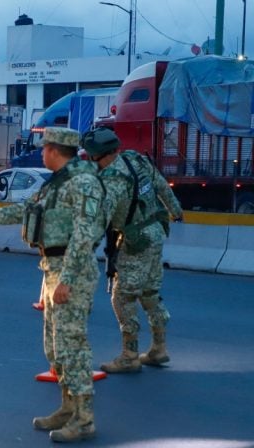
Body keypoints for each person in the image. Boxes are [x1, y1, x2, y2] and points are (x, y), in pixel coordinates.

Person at [0, 127, 106, 442]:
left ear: (54, 150)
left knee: (73, 347)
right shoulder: (57, 183)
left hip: (71, 271)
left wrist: (67, 279)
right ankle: (68, 407)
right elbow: (27, 211)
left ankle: (84, 419)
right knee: (55, 347)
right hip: (52, 268)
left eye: (44, 148)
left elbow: (84, 234)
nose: (41, 153)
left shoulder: (83, 183)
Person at [81, 128, 183, 373]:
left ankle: (130, 355)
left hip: (136, 241)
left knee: (122, 297)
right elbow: (161, 186)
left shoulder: (110, 182)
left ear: (97, 155)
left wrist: (82, 251)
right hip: (156, 232)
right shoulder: (136, 159)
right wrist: (176, 210)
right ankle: (159, 348)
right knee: (150, 292)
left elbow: (98, 223)